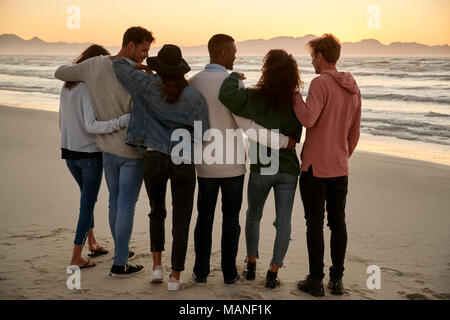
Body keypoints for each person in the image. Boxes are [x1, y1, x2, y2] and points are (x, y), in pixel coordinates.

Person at [189, 34, 296, 285]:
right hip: (233, 167)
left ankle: (201, 272)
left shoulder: (192, 82)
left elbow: (189, 124)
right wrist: (283, 142)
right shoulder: (233, 84)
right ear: (223, 53)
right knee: (231, 220)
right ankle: (229, 273)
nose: (237, 55)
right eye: (234, 51)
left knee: (203, 219)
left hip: (204, 164)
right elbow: (248, 127)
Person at [55, 26, 155, 277]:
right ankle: (120, 262)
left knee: (114, 202)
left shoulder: (95, 65)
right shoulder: (134, 74)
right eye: (144, 50)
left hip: (106, 149)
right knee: (126, 205)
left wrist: (86, 73)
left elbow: (60, 72)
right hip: (131, 150)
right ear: (130, 45)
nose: (145, 55)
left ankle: (121, 251)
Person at [112, 44, 209, 291]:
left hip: (153, 157)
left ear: (158, 67)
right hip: (182, 158)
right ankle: (175, 277)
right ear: (181, 69)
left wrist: (141, 66)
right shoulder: (194, 96)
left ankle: (157, 267)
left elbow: (117, 64)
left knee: (157, 211)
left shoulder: (146, 84)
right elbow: (202, 135)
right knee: (182, 218)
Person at [219, 49, 302, 288]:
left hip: (261, 165)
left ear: (267, 70)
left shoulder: (255, 97)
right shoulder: (294, 100)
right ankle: (273, 274)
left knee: (253, 215)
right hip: (287, 167)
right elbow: (297, 135)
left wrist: (235, 76)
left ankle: (251, 264)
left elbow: (226, 95)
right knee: (283, 221)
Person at [292, 34, 361, 296]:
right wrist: (341, 155)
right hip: (339, 168)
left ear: (320, 57)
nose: (311, 62)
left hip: (314, 169)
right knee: (338, 223)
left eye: (312, 57)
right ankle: (337, 280)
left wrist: (295, 97)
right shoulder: (353, 86)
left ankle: (316, 280)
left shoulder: (320, 82)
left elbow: (308, 119)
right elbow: (354, 134)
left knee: (314, 224)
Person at [59, 44, 130, 269]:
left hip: (69, 153)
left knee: (85, 200)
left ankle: (92, 243)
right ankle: (76, 257)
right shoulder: (87, 88)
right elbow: (92, 126)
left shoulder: (67, 87)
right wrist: (122, 121)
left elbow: (62, 121)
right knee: (87, 205)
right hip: (89, 154)